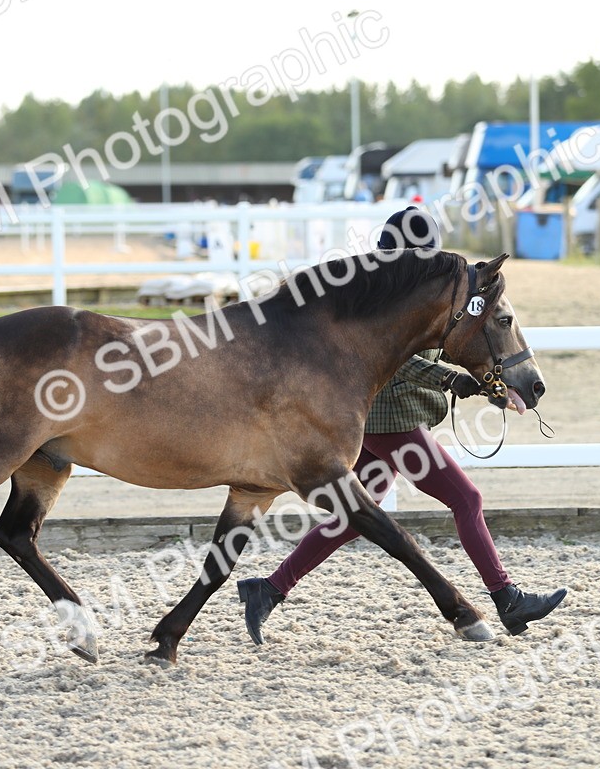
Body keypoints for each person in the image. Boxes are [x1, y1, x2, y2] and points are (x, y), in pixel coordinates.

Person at [236, 208, 567, 643]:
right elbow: (404, 360)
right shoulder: (387, 296)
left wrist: (489, 383)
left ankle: (269, 589)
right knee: (466, 499)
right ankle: (507, 597)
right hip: (390, 420)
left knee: (357, 515)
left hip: (382, 420)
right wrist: (452, 379)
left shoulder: (408, 289)